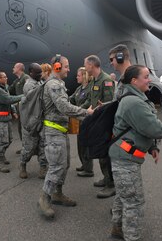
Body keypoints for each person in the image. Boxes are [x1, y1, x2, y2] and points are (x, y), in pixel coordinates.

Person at [109, 65, 162, 241]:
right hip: (125, 159)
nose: (150, 80)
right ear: (134, 81)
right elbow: (154, 128)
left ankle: (118, 229)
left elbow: (141, 128)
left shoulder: (136, 98)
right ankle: (132, 236)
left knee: (124, 196)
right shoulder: (134, 102)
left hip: (125, 156)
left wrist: (153, 148)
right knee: (134, 202)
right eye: (145, 77)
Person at [38, 55, 94, 219]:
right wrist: (86, 113)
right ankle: (44, 198)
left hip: (60, 130)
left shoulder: (58, 84)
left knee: (65, 164)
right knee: (57, 166)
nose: (69, 69)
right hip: (53, 131)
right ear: (56, 67)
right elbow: (63, 106)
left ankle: (57, 194)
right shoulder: (54, 85)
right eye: (66, 66)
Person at [84, 55, 116, 198]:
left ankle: (111, 185)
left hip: (105, 122)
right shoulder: (94, 81)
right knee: (100, 152)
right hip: (96, 121)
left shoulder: (107, 80)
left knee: (105, 154)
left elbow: (109, 105)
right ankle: (106, 178)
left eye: (86, 65)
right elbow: (92, 101)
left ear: (91, 65)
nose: (85, 68)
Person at [19, 63, 48, 179]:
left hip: (41, 120)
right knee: (29, 148)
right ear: (31, 73)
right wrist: (46, 84)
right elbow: (32, 94)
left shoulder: (39, 82)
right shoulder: (29, 84)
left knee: (43, 146)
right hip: (31, 122)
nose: (41, 74)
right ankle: (22, 165)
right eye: (38, 73)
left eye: (41, 72)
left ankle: (43, 168)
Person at [0, 71, 23, 173]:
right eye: (4, 77)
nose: (6, 78)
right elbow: (9, 100)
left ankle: (1, 156)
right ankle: (0, 162)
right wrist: (24, 96)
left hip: (6, 118)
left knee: (9, 140)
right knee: (1, 142)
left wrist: (13, 112)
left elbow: (9, 104)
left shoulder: (4, 88)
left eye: (6, 77)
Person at [69, 67, 92, 177]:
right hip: (79, 120)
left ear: (84, 76)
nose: (76, 77)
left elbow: (88, 102)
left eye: (78, 75)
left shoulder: (90, 88)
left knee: (86, 145)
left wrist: (77, 110)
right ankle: (84, 164)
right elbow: (71, 99)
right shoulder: (79, 89)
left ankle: (88, 169)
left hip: (87, 121)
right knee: (80, 145)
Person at [9, 63, 30, 153]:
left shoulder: (26, 78)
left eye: (14, 67)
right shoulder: (17, 81)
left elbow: (30, 92)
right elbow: (9, 89)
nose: (13, 68)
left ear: (19, 68)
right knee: (20, 128)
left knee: (26, 128)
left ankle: (30, 147)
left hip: (26, 108)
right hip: (20, 108)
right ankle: (25, 147)